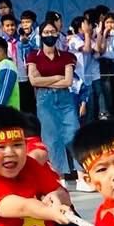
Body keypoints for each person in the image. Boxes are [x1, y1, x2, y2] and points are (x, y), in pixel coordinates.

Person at [26, 19, 81, 181]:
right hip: (44, 99)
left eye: (52, 32)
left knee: (73, 133)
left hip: (64, 98)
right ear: (40, 35)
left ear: (57, 34)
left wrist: (45, 80)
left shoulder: (67, 56)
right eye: (46, 32)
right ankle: (58, 177)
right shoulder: (33, 56)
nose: (49, 35)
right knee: (51, 138)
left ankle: (82, 176)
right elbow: (33, 81)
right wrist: (57, 77)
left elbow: (68, 81)